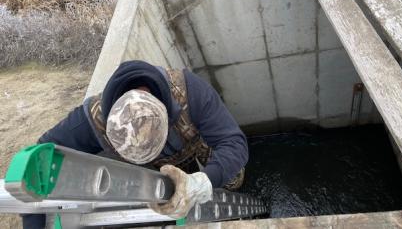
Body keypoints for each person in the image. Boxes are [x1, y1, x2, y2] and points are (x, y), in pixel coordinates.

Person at [22, 60, 248, 228]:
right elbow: (37, 159)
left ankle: (226, 183)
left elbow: (234, 142)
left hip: (195, 141)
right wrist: (33, 218)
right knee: (175, 189)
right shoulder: (91, 120)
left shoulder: (191, 92)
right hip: (161, 167)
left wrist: (204, 181)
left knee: (233, 176)